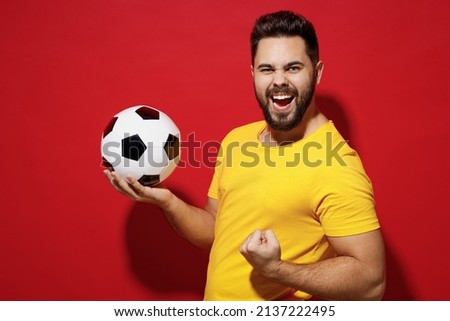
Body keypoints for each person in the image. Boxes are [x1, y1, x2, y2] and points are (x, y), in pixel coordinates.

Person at [103, 10, 386, 301]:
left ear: (317, 72)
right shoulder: (237, 140)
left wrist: (276, 269)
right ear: (253, 74)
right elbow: (214, 230)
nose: (279, 81)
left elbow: (371, 282)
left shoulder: (337, 164)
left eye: (293, 67)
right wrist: (167, 202)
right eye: (267, 69)